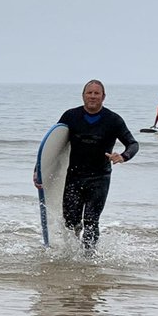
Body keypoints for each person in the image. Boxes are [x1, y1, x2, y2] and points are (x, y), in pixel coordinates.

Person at [51, 80, 138, 251]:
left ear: (103, 97)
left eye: (96, 93)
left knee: (91, 221)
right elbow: (53, 145)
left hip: (99, 178)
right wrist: (39, 170)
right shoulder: (70, 116)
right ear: (83, 95)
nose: (92, 96)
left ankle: (89, 258)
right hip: (74, 177)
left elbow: (133, 144)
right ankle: (72, 254)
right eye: (89, 93)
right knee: (71, 221)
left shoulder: (113, 120)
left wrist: (123, 156)